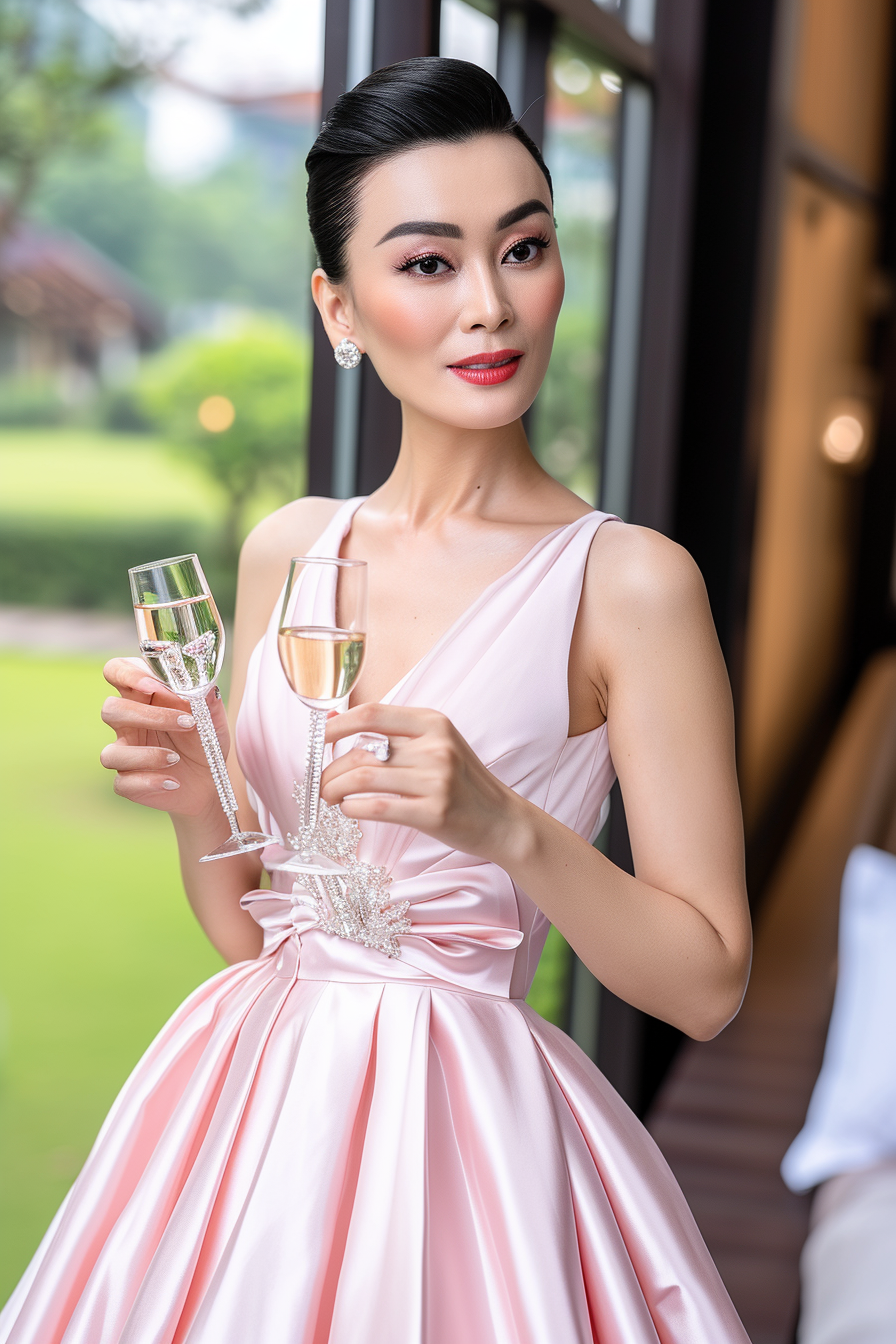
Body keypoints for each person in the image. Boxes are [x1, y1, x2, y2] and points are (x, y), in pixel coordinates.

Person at [0, 58, 752, 1343]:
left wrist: (506, 827)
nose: (489, 309)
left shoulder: (628, 585)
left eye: (522, 247)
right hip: (239, 1106)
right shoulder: (288, 552)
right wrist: (198, 796)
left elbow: (708, 981)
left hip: (468, 1142)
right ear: (337, 310)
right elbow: (257, 932)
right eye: (426, 263)